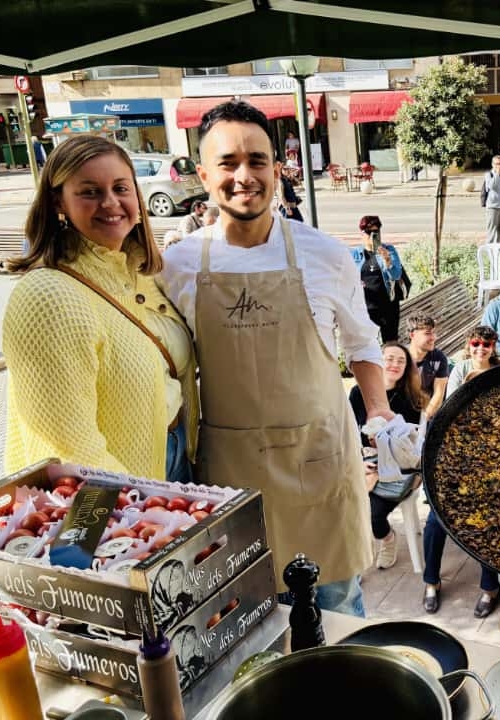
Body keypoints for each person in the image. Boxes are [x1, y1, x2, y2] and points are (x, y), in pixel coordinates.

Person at [158, 101, 392, 617]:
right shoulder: (176, 265)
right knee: (245, 617)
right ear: (202, 174)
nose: (245, 176)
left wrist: (378, 410)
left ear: (277, 168)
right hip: (230, 475)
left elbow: (362, 342)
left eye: (258, 161)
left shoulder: (325, 254)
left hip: (320, 464)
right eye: (228, 163)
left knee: (334, 608)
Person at [3, 134, 197, 487]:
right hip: (115, 491)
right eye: (90, 192)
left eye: (121, 188)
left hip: (172, 456)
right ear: (58, 202)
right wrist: (134, 500)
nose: (111, 203)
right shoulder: (48, 296)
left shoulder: (141, 273)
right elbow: (69, 443)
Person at [426, 326, 500, 615]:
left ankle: (489, 588)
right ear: (468, 345)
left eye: (486, 344)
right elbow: (452, 411)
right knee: (435, 520)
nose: (480, 349)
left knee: (486, 517)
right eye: (475, 343)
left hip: (492, 456)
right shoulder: (460, 370)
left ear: (493, 347)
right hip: (458, 453)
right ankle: (431, 582)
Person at [349, 342, 427, 571]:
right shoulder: (357, 393)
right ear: (377, 363)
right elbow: (351, 433)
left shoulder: (412, 398)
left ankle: (387, 538)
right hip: (366, 461)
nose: (394, 364)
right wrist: (361, 462)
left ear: (407, 367)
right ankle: (354, 560)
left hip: (399, 467)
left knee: (372, 515)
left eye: (401, 361)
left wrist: (386, 445)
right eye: (389, 358)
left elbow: (412, 448)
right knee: (345, 507)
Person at [350, 215, 407, 343]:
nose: (372, 236)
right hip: (366, 308)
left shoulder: (389, 250)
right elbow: (347, 278)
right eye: (369, 232)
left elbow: (396, 275)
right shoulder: (355, 254)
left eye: (376, 232)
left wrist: (387, 260)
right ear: (362, 233)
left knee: (391, 344)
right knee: (369, 344)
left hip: (388, 306)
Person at [406, 314, 449, 417]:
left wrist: (424, 420)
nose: (433, 338)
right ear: (412, 335)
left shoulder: (439, 358)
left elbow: (438, 395)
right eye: (428, 333)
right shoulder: (400, 357)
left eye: (434, 333)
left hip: (427, 411)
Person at [481, 154, 500, 244]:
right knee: (491, 231)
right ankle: (489, 250)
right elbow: (491, 186)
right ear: (492, 164)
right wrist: (496, 174)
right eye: (496, 164)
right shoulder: (489, 174)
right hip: (492, 206)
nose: (498, 166)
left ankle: (497, 248)